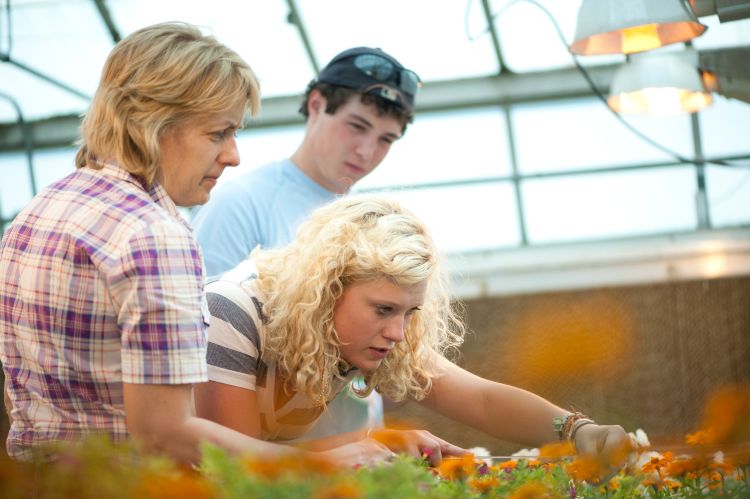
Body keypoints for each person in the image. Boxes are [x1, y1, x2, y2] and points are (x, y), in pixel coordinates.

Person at [0, 22, 392, 467]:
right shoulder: (154, 235)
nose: (233, 155)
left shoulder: (36, 212)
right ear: (154, 123)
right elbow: (166, 434)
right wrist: (315, 466)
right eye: (217, 133)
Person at [194, 195, 633, 470]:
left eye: (409, 312)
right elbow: (236, 468)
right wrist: (370, 443)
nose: (398, 332)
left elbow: (479, 399)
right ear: (325, 290)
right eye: (384, 309)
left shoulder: (373, 335)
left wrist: (576, 431)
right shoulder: (230, 311)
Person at [191, 46, 420, 438]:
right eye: (357, 126)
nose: (367, 152)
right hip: (275, 471)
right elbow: (205, 347)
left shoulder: (369, 221)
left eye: (386, 139)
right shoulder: (240, 203)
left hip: (364, 466)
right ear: (317, 104)